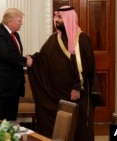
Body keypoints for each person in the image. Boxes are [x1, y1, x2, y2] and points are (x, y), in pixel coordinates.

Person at [27, 5, 96, 141]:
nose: (56, 20)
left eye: (59, 17)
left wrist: (77, 87)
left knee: (78, 125)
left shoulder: (81, 39)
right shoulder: (54, 39)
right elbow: (42, 58)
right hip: (56, 93)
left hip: (75, 94)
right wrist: (32, 60)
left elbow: (85, 67)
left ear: (68, 18)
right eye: (55, 16)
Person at [0, 8, 32, 121]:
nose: (21, 23)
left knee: (11, 123)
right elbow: (6, 55)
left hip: (12, 88)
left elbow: (14, 56)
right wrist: (25, 61)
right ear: (9, 22)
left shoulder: (16, 35)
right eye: (19, 20)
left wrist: (25, 58)